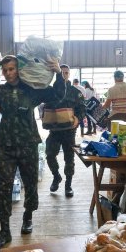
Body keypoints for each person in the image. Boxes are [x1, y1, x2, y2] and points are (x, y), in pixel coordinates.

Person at [0, 55, 64, 247]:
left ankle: (28, 217)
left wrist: (59, 74)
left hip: (28, 144)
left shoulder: (32, 89)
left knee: (31, 185)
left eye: (12, 69)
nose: (8, 73)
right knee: (4, 188)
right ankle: (5, 229)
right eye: (5, 70)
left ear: (19, 69)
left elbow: (57, 95)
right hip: (7, 146)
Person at [43, 65, 86, 198]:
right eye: (61, 73)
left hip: (69, 131)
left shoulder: (75, 92)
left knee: (69, 158)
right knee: (50, 155)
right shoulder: (50, 91)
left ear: (69, 74)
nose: (64, 75)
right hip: (54, 130)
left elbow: (82, 108)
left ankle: (68, 185)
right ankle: (56, 177)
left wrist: (78, 119)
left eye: (66, 73)